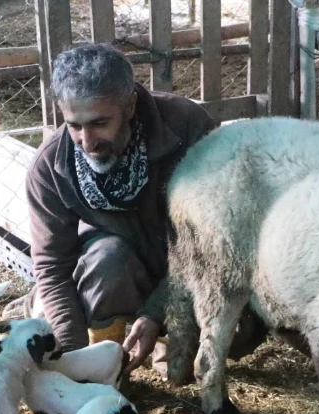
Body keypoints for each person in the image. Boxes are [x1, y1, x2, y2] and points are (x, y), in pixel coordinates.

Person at [25, 43, 220, 374]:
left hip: (190, 264)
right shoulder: (50, 166)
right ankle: (109, 358)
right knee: (107, 259)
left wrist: (157, 312)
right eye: (74, 126)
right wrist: (74, 360)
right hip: (117, 273)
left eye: (99, 123)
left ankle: (163, 336)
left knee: (224, 342)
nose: (87, 142)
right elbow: (52, 266)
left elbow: (212, 241)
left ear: (129, 106)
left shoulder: (187, 127)